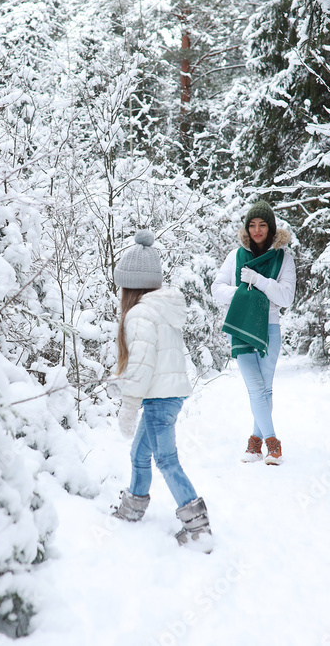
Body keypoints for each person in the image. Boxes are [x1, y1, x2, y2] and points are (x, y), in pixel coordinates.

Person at [107, 229, 212, 552]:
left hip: (158, 398)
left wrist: (128, 407)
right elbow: (151, 361)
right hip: (167, 393)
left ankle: (198, 528)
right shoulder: (161, 308)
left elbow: (141, 366)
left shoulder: (139, 314)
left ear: (130, 285)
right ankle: (133, 506)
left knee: (166, 460)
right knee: (140, 454)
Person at [211, 202, 296, 465]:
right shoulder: (236, 256)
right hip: (240, 326)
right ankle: (273, 445)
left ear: (271, 228)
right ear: (247, 228)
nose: (257, 230)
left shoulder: (284, 258)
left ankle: (254, 444)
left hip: (270, 328)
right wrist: (243, 294)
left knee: (264, 390)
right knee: (256, 387)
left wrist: (258, 281)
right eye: (252, 225)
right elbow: (216, 289)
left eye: (262, 225)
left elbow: (286, 297)